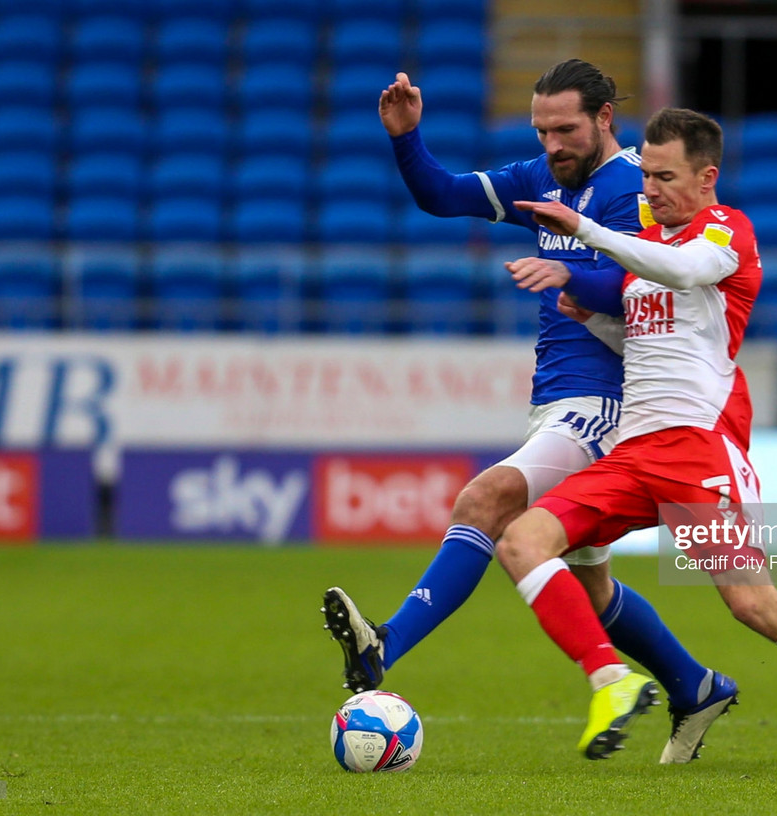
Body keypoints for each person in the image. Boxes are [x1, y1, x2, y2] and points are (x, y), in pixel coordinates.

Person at [497, 107, 777, 772]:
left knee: (754, 606)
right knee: (522, 540)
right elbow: (647, 339)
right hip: (633, 452)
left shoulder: (726, 230)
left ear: (707, 178)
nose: (650, 189)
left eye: (665, 176)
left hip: (696, 452)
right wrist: (591, 314)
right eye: (645, 174)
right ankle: (610, 681)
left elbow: (683, 274)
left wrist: (587, 231)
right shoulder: (648, 251)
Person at [322, 60, 738, 764]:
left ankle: (386, 643)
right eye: (542, 130)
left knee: (484, 500)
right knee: (588, 578)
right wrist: (406, 138)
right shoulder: (542, 178)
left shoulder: (632, 188)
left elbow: (638, 286)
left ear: (605, 118)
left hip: (607, 402)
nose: (551, 144)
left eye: (566, 129)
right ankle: (695, 684)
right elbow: (442, 195)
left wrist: (573, 272)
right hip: (555, 399)